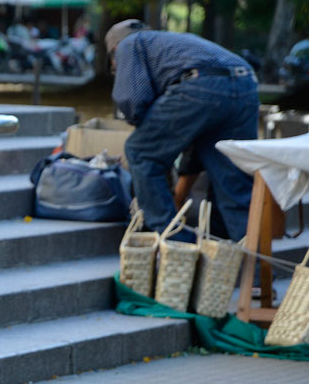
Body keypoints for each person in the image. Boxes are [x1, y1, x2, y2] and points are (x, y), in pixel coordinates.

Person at [106, 19, 256, 241]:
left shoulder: (129, 44)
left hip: (200, 84)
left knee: (140, 150)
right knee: (233, 184)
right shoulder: (171, 44)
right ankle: (250, 267)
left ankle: (172, 240)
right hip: (246, 84)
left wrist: (147, 130)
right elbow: (195, 145)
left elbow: (132, 102)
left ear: (115, 50)